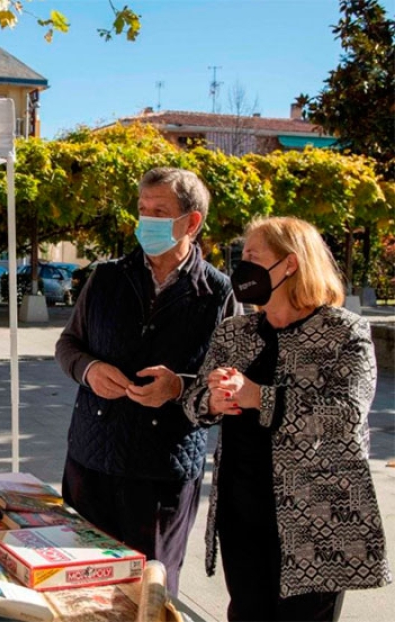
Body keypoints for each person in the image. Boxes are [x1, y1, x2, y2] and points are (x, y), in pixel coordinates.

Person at [183, 216, 391, 621]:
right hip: (242, 512)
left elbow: (347, 414)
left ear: (290, 264)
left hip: (318, 520)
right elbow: (193, 404)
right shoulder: (234, 331)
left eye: (253, 256)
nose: (241, 266)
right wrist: (213, 400)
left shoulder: (344, 332)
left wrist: (258, 396)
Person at [54, 167, 238, 596]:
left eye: (159, 211)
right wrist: (89, 370)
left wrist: (179, 388)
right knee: (77, 590)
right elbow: (68, 345)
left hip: (163, 475)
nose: (146, 221)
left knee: (147, 594)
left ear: (191, 222)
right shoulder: (105, 278)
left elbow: (228, 382)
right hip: (90, 462)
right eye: (142, 210)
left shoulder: (218, 292)